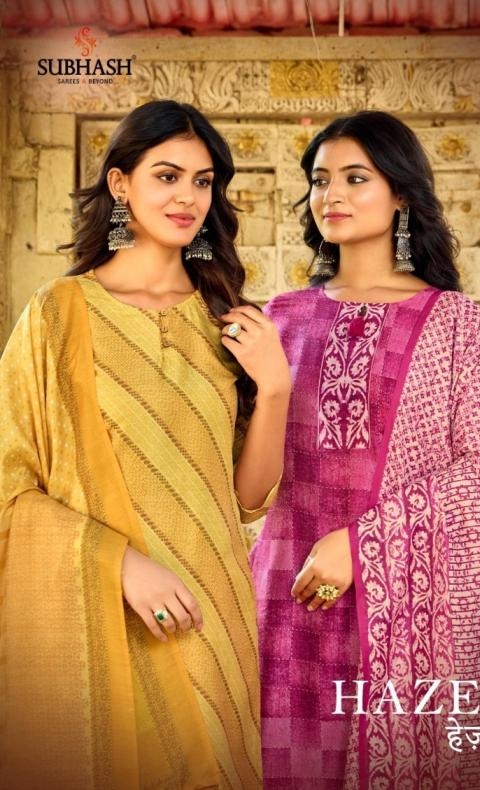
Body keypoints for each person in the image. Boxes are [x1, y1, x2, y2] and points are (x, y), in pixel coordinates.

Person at [250, 111, 480, 788]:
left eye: (355, 178)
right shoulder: (282, 317)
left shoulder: (453, 322)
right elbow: (249, 477)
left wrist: (361, 545)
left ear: (402, 195)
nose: (332, 193)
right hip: (286, 601)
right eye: (320, 179)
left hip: (403, 616)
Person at [0, 100, 291, 789]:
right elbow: (9, 484)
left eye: (203, 181)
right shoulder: (58, 314)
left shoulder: (228, 321)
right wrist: (118, 563)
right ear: (120, 183)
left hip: (213, 615)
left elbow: (247, 500)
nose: (188, 197)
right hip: (103, 614)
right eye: (167, 176)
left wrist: (276, 389)